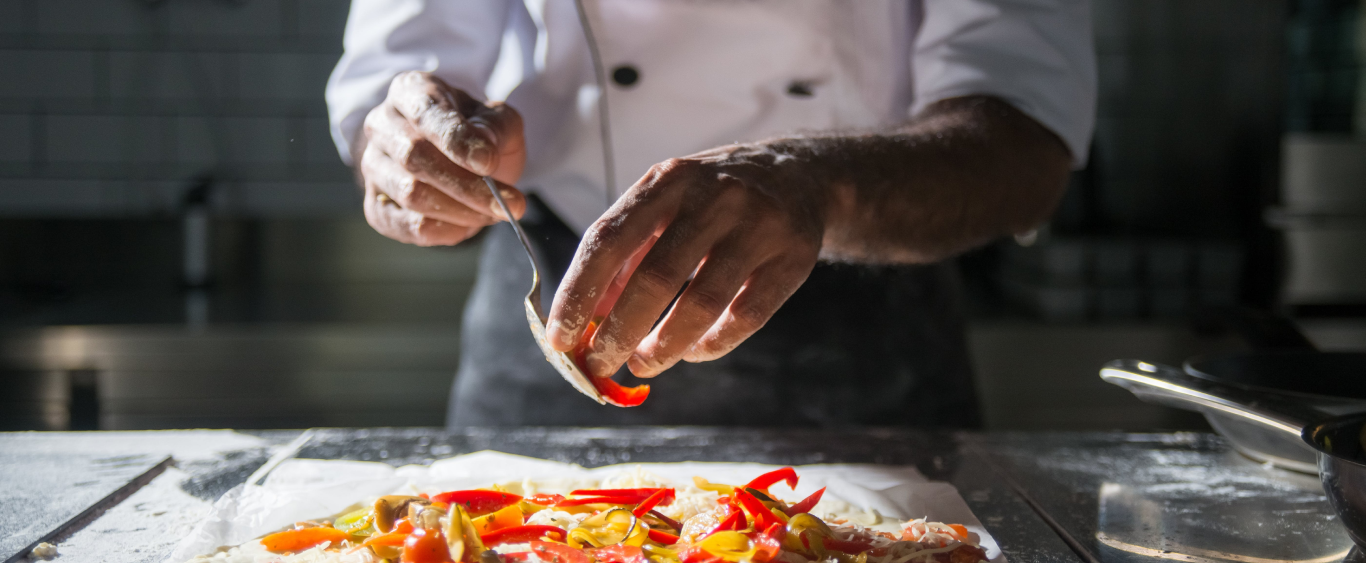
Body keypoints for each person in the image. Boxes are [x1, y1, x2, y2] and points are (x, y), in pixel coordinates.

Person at [326, 0, 1095, 427]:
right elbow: (398, 75)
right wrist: (405, 143)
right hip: (551, 307)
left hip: (865, 328)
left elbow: (1025, 142)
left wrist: (817, 183)